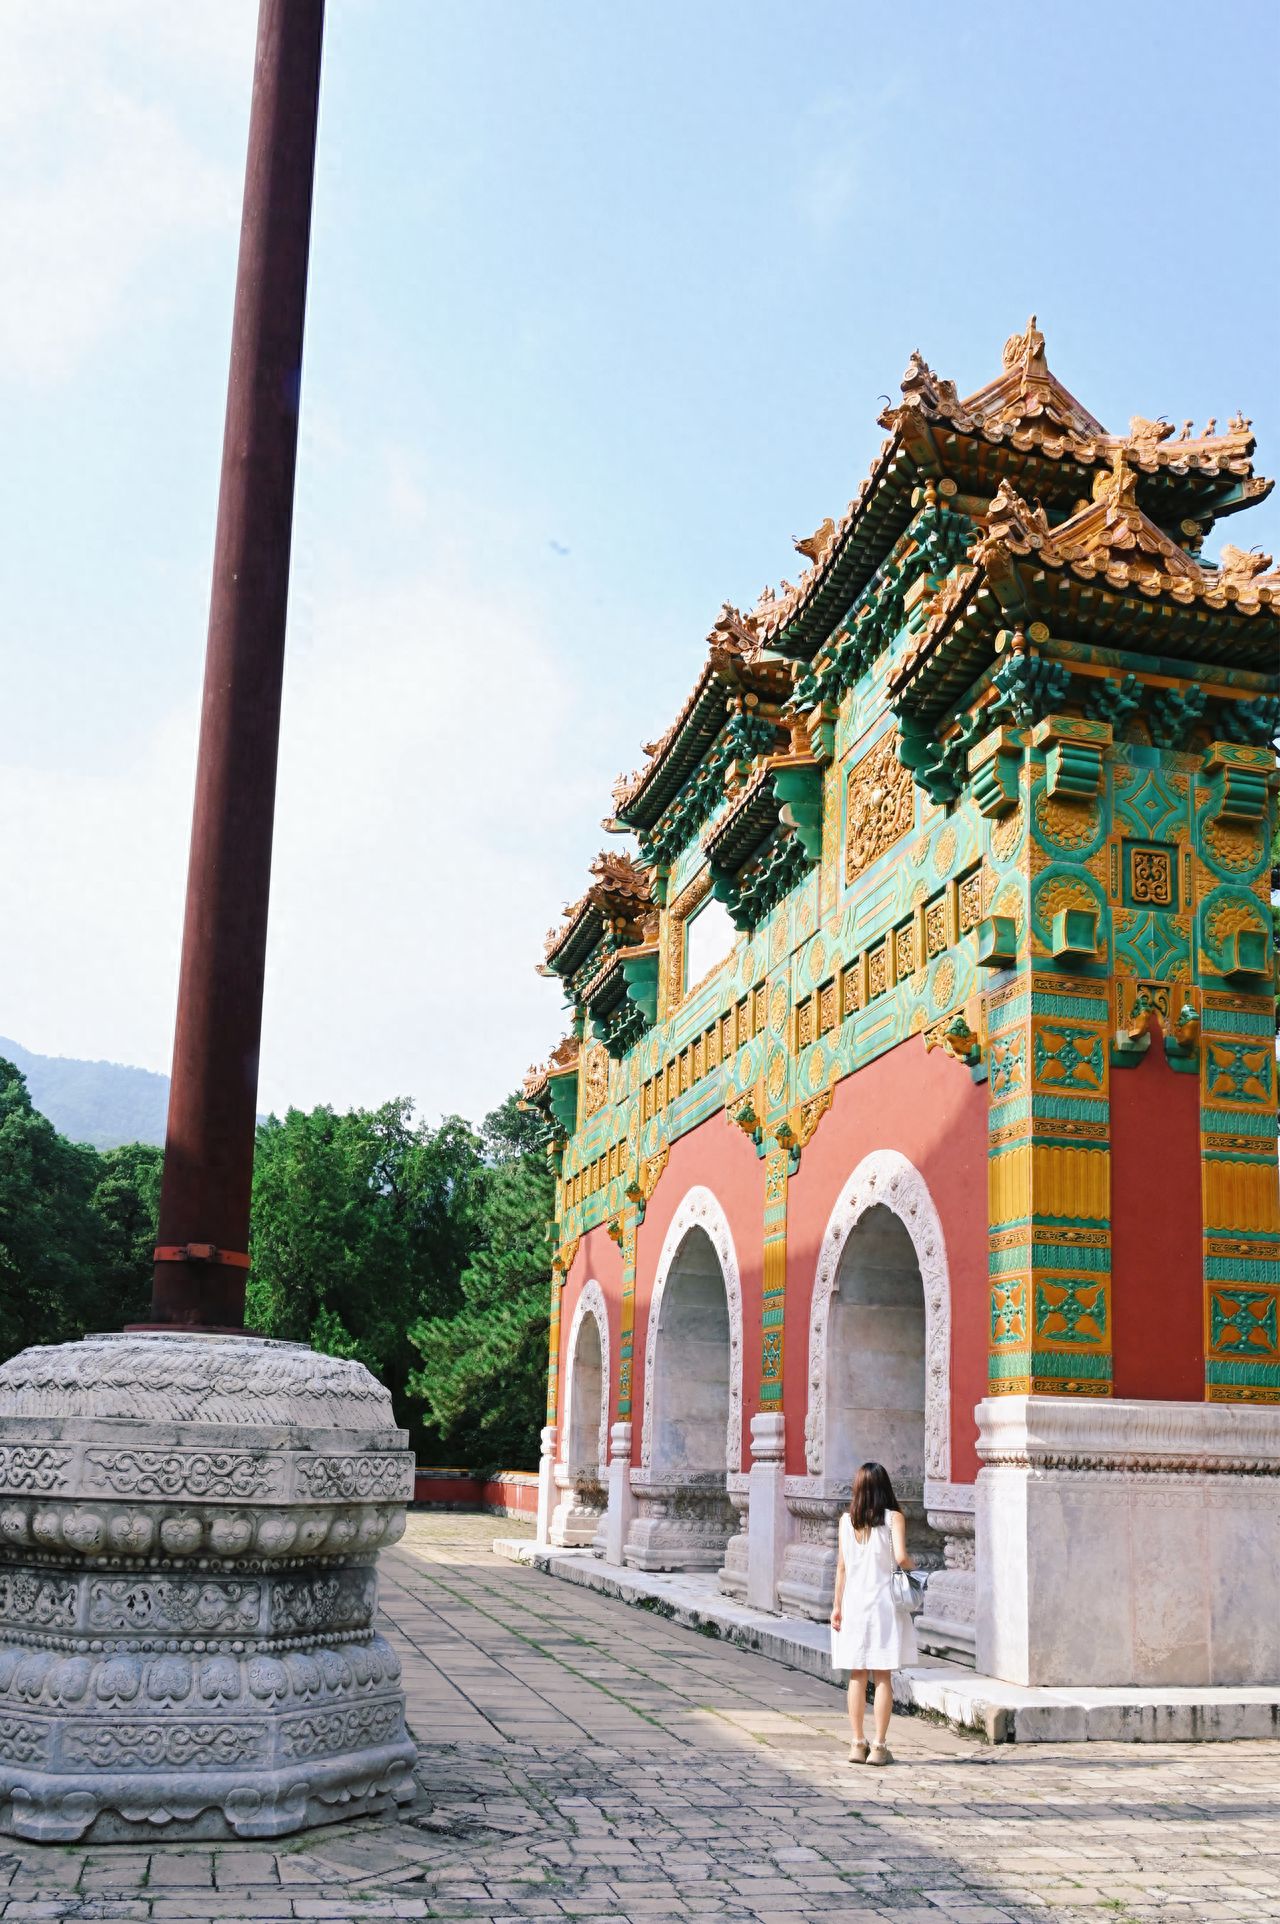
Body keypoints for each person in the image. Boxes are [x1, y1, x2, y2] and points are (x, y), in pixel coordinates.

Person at [829, 1460, 917, 1765]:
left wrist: (836, 1606)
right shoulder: (894, 1518)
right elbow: (901, 1557)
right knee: (882, 1676)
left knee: (856, 1674)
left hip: (854, 1603)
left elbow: (841, 1568)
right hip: (884, 1604)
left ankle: (856, 1742)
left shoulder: (846, 1521)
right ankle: (879, 1746)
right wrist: (914, 1567)